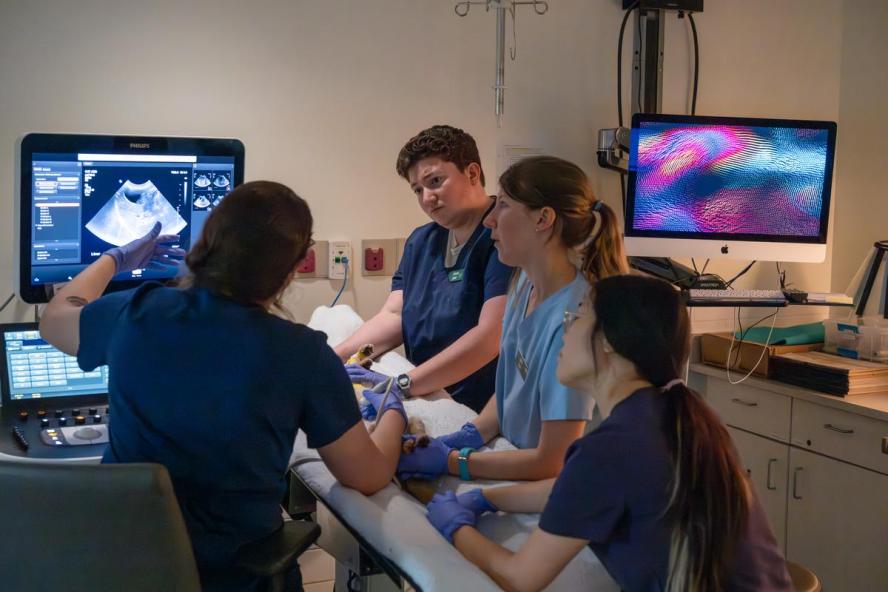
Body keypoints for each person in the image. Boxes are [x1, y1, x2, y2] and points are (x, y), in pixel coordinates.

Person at [39, 181, 407, 592]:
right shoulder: (303, 354)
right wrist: (394, 410)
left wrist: (116, 258)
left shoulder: (137, 312)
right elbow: (367, 476)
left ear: (207, 240)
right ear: (291, 270)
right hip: (237, 579)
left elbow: (55, 318)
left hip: (128, 571)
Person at [422, 274, 793, 592]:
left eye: (578, 316)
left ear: (610, 341)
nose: (565, 329)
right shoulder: (679, 414)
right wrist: (486, 499)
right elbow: (572, 489)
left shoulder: (615, 445)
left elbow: (521, 577)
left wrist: (453, 526)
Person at [377, 155, 629, 481]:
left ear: (543, 219)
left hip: (561, 486)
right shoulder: (524, 284)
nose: (489, 220)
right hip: (513, 456)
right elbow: (511, 386)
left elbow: (553, 462)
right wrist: (472, 433)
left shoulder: (575, 322)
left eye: (504, 206)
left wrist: (455, 462)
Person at [335, 125, 513, 413]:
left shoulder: (503, 239)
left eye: (435, 181)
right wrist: (335, 358)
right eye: (418, 189)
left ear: (472, 173)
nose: (426, 198)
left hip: (480, 407)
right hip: (426, 395)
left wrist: (403, 384)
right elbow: (394, 316)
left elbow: (491, 336)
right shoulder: (421, 242)